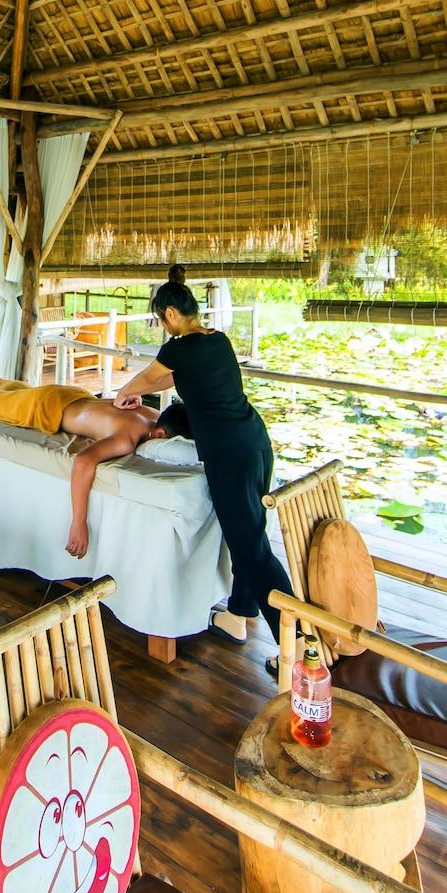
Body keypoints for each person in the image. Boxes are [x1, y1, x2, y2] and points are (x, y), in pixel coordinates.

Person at [112, 265, 294, 650]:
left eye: (162, 320)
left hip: (230, 455)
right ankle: (238, 615)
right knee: (251, 536)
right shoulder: (217, 340)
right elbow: (169, 378)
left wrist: (122, 394)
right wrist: (136, 390)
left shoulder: (177, 348)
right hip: (256, 443)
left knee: (252, 551)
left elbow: (149, 378)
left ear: (171, 315)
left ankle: (298, 645)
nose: (163, 326)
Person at [0, 373, 181, 558]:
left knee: (5, 393)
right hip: (45, 407)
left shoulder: (151, 412)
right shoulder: (126, 439)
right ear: (159, 435)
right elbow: (83, 462)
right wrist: (78, 523)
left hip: (71, 394)